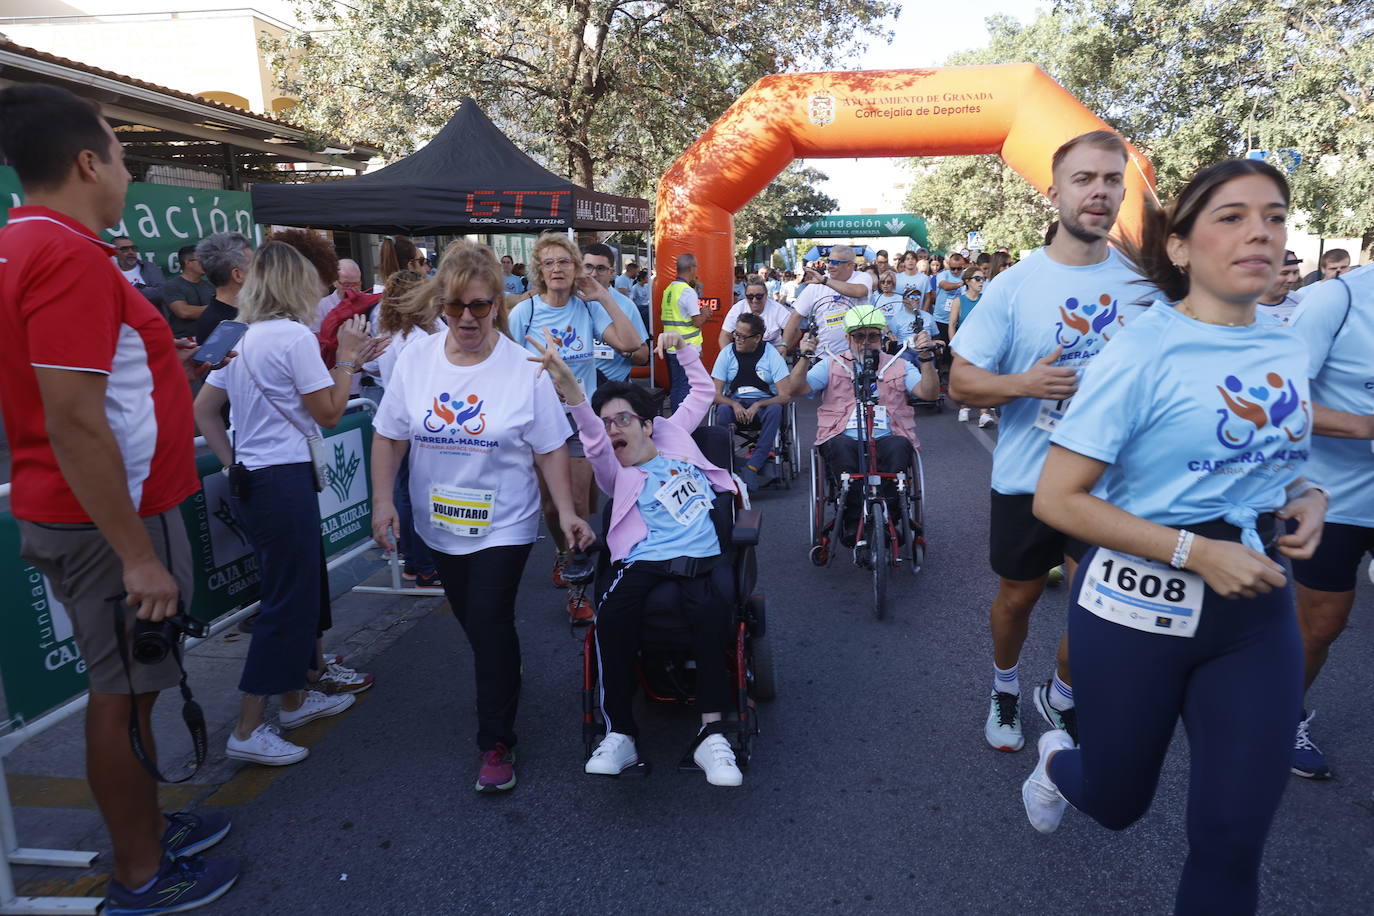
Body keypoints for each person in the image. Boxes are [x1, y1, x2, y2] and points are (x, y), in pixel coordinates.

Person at [1022, 157, 1326, 916]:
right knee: (1118, 802)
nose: (1261, 230)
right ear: (1182, 248)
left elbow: (1278, 462)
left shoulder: (1286, 341)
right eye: (1232, 216)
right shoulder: (1141, 351)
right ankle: (1057, 756)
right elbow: (1057, 498)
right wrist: (1196, 552)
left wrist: (1308, 494)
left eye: (1275, 215)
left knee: (1231, 841)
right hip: (1135, 609)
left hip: (1253, 617)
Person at [0, 82, 238, 913]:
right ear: (87, 161)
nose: (130, 174)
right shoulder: (64, 254)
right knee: (123, 689)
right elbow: (71, 416)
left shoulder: (33, 244)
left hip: (102, 510)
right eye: (125, 155)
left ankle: (144, 827)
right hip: (111, 522)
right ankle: (138, 869)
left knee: (130, 686)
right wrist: (139, 554)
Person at [950, 130, 1152, 752]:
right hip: (1026, 479)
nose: (1099, 192)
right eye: (1084, 179)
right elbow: (960, 382)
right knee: (1018, 598)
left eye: (1112, 180)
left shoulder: (1145, 285)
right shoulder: (1015, 285)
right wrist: (1023, 382)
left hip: (1106, 482)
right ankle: (1005, 688)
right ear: (1054, 191)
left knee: (1099, 607)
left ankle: (1060, 695)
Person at [371, 242, 592, 792]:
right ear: (439, 304)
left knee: (490, 620)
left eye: (480, 306)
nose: (467, 318)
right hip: (437, 521)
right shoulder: (416, 359)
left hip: (506, 522)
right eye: (454, 307)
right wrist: (380, 502)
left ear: (498, 303)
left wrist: (565, 512)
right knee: (474, 619)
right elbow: (389, 434)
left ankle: (495, 741)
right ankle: (502, 671)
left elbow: (549, 447)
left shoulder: (524, 367)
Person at [194, 242, 385, 767]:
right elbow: (328, 413)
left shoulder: (234, 333)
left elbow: (204, 410)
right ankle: (248, 728)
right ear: (295, 286)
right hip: (283, 480)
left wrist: (233, 463)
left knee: (290, 592)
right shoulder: (295, 337)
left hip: (256, 481)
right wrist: (348, 358)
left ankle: (295, 701)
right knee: (285, 602)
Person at [529, 330, 744, 787]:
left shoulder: (674, 437)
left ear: (648, 424)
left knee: (711, 616)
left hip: (699, 555)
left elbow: (704, 391)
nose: (613, 429)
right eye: (607, 423)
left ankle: (713, 735)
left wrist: (681, 347)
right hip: (642, 561)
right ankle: (620, 733)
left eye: (623, 419)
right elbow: (589, 434)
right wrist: (571, 389)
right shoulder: (613, 468)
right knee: (610, 619)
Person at [508, 233, 641, 620]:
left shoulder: (587, 309)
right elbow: (506, 367)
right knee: (551, 505)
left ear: (575, 268)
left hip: (581, 416)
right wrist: (538, 382)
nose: (556, 269)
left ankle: (579, 591)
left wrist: (603, 297)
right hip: (539, 420)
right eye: (548, 263)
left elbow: (631, 343)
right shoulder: (525, 314)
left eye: (563, 261)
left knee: (580, 502)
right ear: (539, 270)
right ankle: (562, 549)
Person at [1284, 261, 1373, 779]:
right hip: (1330, 498)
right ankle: (1280, 717)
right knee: (1322, 626)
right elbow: (1280, 400)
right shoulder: (1336, 300)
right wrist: (1366, 425)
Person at [783, 305, 939, 545]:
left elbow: (929, 393)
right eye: (859, 336)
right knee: (842, 448)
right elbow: (794, 389)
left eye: (873, 336)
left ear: (882, 337)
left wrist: (926, 357)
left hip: (889, 434)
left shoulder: (898, 364)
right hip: (842, 434)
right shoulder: (832, 363)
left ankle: (890, 519)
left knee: (899, 447)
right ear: (847, 338)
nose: (866, 342)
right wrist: (804, 357)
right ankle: (853, 520)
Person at [371, 268, 440, 587]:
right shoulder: (416, 337)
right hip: (417, 423)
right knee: (416, 496)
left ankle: (415, 562)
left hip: (401, 420)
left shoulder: (393, 333)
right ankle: (423, 565)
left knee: (407, 493)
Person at [711, 312, 791, 490]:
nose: (737, 339)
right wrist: (734, 404)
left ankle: (753, 465)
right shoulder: (726, 354)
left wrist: (758, 404)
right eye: (736, 334)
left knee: (776, 409)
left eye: (742, 336)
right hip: (736, 402)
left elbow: (785, 395)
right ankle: (728, 464)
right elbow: (715, 394)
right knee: (723, 409)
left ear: (757, 338)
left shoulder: (771, 355)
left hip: (763, 405)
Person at [783, 244, 875, 357]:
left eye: (835, 262)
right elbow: (796, 316)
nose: (830, 266)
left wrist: (824, 281)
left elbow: (859, 291)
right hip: (823, 355)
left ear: (850, 265)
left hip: (856, 355)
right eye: (829, 261)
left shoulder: (862, 277)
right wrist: (784, 345)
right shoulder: (817, 283)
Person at [582, 242, 650, 387]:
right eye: (588, 267)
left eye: (600, 268)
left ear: (611, 272)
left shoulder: (626, 305)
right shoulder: (571, 300)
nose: (593, 273)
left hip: (613, 391)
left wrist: (627, 352)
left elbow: (644, 355)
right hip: (576, 392)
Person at [660, 252, 708, 410]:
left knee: (676, 387)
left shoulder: (669, 290)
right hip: (687, 348)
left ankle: (675, 420)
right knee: (685, 388)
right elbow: (697, 321)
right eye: (696, 267)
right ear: (691, 268)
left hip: (671, 347)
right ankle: (680, 425)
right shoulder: (687, 292)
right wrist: (706, 313)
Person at [948, 267, 995, 428]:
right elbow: (952, 325)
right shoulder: (958, 301)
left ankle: (984, 414)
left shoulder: (986, 299)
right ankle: (964, 407)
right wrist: (953, 345)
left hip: (983, 344)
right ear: (967, 281)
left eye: (983, 279)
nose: (981, 282)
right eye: (977, 279)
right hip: (964, 345)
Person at [193, 231, 252, 343]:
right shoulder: (215, 325)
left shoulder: (253, 311)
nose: (262, 273)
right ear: (238, 275)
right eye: (255, 266)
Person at [718, 277, 791, 351]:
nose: (754, 300)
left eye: (759, 296)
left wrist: (784, 348)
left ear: (766, 295)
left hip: (772, 352)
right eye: (750, 297)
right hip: (744, 353)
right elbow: (725, 335)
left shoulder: (777, 309)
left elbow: (795, 331)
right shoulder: (738, 308)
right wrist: (729, 356)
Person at [162, 244, 215, 339]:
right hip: (185, 342)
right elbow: (184, 312)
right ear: (187, 263)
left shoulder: (210, 285)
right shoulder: (172, 285)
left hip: (210, 337)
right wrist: (217, 308)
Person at [111, 235, 165, 309]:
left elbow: (162, 293)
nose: (131, 252)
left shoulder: (149, 268)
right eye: (124, 249)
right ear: (114, 252)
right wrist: (145, 290)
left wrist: (126, 293)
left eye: (133, 248)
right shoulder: (110, 272)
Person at [312, 258, 363, 332]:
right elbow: (315, 336)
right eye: (346, 285)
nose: (352, 289)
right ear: (334, 282)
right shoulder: (320, 307)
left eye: (356, 284)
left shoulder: (370, 302)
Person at [1255, 250, 1302, 324]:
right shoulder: (1238, 308)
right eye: (1284, 273)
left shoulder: (1302, 302)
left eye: (1295, 272)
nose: (1292, 279)